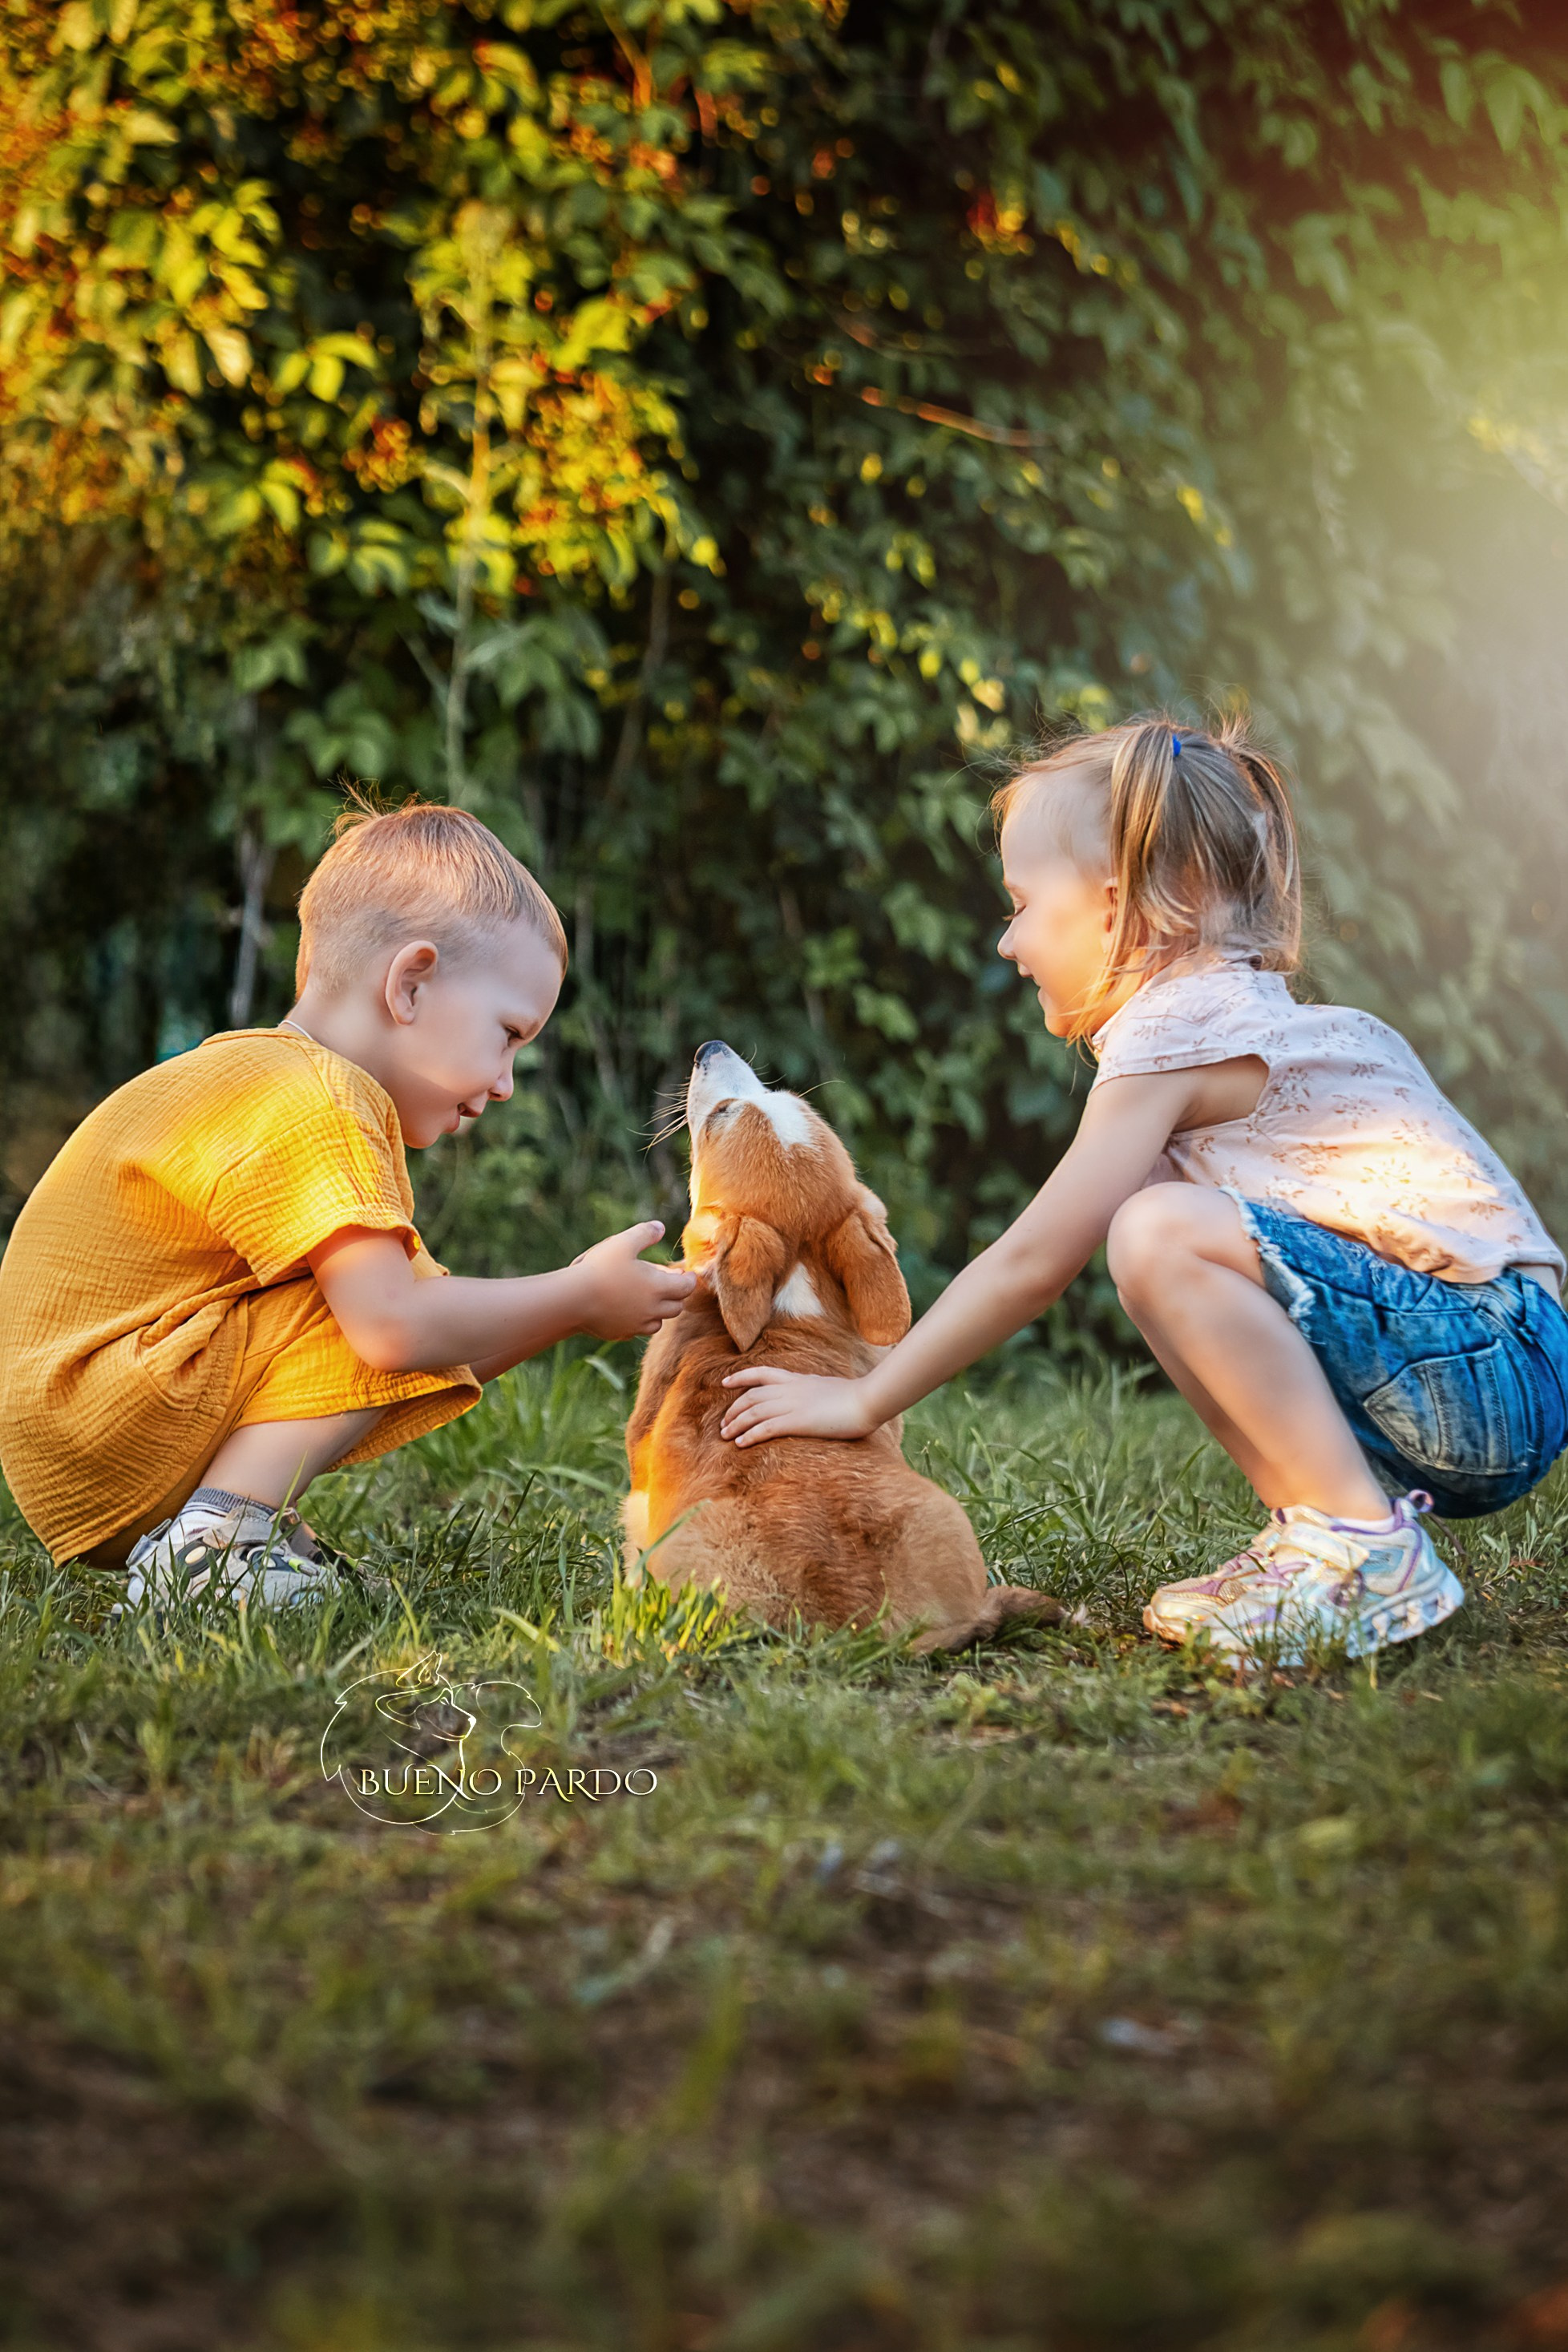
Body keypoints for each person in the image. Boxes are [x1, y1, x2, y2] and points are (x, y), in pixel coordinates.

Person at [718, 714, 1568, 1666]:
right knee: (1160, 1244)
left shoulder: (1180, 1025)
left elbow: (1035, 1261)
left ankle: (1363, 1546)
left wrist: (864, 1399)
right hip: (1492, 1366)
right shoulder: (1232, 1017)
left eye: (1023, 903)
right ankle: (1318, 1540)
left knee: (1156, 1233)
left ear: (1117, 907)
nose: (1008, 942)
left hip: (1485, 1367)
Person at [0, 802, 693, 1609]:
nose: (507, 1083)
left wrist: (569, 1305)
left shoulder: (283, 1080)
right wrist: (575, 1296)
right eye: (508, 1034)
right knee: (384, 1298)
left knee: (396, 1287)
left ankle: (237, 1528)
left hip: (82, 1434)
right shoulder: (315, 1096)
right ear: (410, 984)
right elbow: (396, 1331)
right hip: (99, 1420)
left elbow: (422, 1343)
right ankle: (215, 1543)